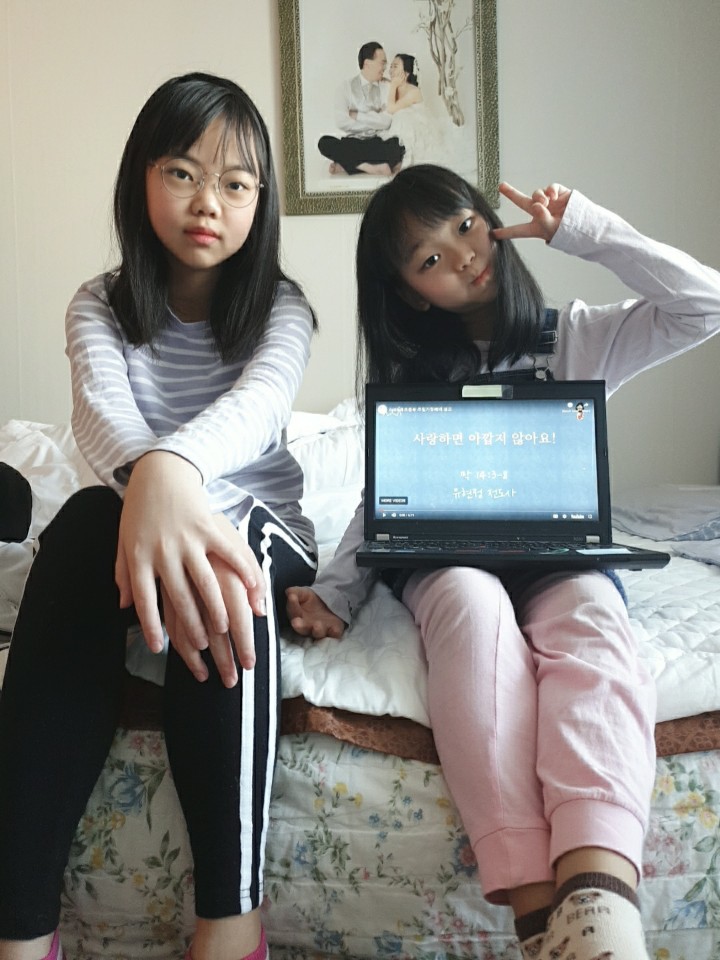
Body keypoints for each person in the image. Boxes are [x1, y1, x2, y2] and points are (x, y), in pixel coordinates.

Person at [285, 164, 720, 960]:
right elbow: (380, 496)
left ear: (488, 217)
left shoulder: (575, 336)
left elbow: (706, 303)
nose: (462, 255)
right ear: (412, 293)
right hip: (444, 555)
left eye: (464, 225)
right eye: (429, 258)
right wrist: (337, 594)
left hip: (554, 545)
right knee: (472, 614)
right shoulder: (411, 375)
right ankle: (538, 918)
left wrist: (582, 230)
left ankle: (599, 898)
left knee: (593, 618)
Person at [0, 72, 318, 960]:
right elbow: (100, 417)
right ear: (141, 176)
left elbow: (256, 410)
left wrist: (173, 474)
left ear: (261, 201)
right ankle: (20, 934)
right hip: (133, 505)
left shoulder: (282, 308)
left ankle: (230, 924)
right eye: (183, 172)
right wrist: (149, 481)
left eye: (236, 183)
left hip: (259, 516)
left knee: (228, 556)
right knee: (76, 528)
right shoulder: (97, 304)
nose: (208, 202)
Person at [317, 41, 405, 177]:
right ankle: (369, 167)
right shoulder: (344, 88)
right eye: (382, 63)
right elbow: (341, 122)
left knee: (399, 146)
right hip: (354, 143)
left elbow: (387, 122)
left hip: (377, 142)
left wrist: (358, 115)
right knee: (324, 143)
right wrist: (376, 118)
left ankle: (348, 164)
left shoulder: (387, 87)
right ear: (367, 63)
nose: (385, 68)